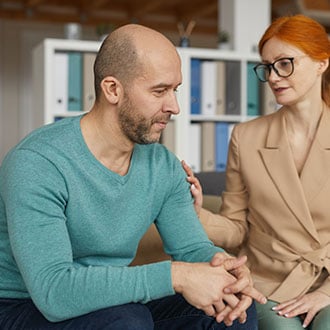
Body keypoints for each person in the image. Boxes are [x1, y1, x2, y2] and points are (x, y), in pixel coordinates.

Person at [0, 24, 266, 329]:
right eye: (159, 91)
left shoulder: (161, 164)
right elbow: (54, 291)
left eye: (175, 90)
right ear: (113, 89)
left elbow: (193, 249)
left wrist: (225, 269)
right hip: (23, 305)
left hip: (112, 303)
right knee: (127, 320)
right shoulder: (38, 162)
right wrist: (177, 276)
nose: (175, 107)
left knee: (231, 311)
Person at [183, 14, 330, 330]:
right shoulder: (246, 137)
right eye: (267, 67)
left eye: (285, 63)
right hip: (267, 283)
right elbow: (237, 228)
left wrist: (326, 294)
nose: (274, 76)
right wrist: (195, 213)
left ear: (322, 63)